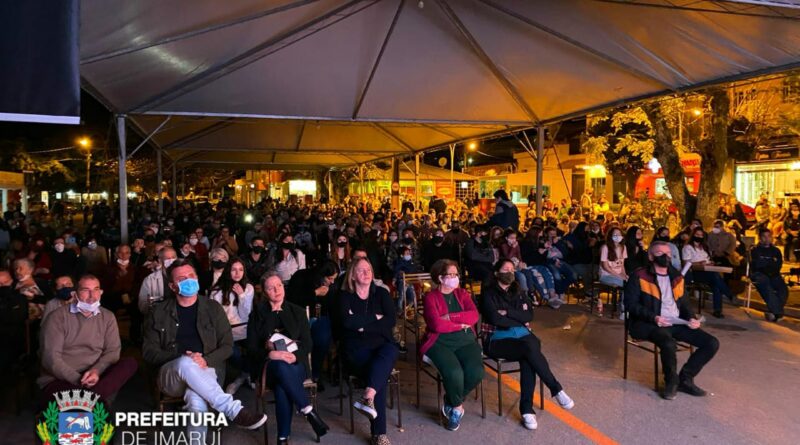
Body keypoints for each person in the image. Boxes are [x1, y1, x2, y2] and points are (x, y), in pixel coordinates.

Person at [142, 260, 267, 440]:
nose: (188, 280)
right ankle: (234, 410)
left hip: (207, 371)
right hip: (171, 376)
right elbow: (148, 351)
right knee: (186, 363)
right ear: (172, 286)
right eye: (182, 278)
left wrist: (206, 360)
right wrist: (181, 357)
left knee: (196, 399)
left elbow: (227, 346)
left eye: (191, 276)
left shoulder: (213, 308)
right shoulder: (158, 311)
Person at [479, 259, 574, 430]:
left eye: (512, 269)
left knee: (529, 353)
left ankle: (527, 410)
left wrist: (507, 312)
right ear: (496, 273)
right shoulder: (488, 293)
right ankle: (554, 390)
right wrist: (516, 316)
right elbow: (495, 319)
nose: (510, 272)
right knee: (529, 350)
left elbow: (528, 316)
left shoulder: (519, 291)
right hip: (497, 339)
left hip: (522, 336)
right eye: (506, 269)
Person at [625, 241, 720, 400]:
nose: (665, 256)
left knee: (711, 343)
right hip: (648, 323)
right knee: (668, 342)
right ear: (650, 256)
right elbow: (630, 304)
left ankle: (685, 378)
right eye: (660, 253)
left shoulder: (676, 277)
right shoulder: (639, 276)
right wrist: (654, 317)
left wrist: (691, 318)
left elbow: (684, 303)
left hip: (675, 322)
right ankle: (671, 382)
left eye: (668, 253)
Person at [247, 272, 329, 444]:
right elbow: (252, 349)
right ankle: (307, 410)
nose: (276, 290)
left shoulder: (297, 311)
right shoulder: (257, 315)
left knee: (282, 384)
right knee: (279, 368)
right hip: (268, 367)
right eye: (271, 288)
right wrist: (270, 354)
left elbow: (307, 344)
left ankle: (283, 438)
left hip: (295, 364)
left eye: (279, 286)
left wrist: (293, 356)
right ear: (264, 292)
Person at [38, 274, 138, 404]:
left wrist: (96, 371)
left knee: (129, 363)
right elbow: (50, 358)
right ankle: (96, 398)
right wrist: (79, 379)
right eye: (86, 290)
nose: (92, 295)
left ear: (101, 292)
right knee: (88, 402)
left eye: (96, 289)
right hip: (62, 377)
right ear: (75, 294)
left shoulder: (107, 316)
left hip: (96, 374)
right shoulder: (57, 317)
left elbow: (113, 351)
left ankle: (87, 398)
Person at [339, 258, 399, 445]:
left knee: (389, 351)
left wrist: (362, 324)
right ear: (352, 275)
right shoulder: (344, 297)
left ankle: (368, 396)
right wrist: (375, 319)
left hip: (382, 346)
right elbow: (347, 323)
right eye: (361, 270)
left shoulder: (381, 293)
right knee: (378, 372)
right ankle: (379, 434)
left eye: (369, 269)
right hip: (356, 350)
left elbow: (391, 321)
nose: (366, 273)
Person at [419, 260, 483, 431]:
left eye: (456, 274)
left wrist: (451, 317)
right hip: (439, 342)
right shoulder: (430, 297)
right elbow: (436, 325)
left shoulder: (462, 293)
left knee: (476, 372)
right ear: (440, 278)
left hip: (465, 341)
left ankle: (451, 400)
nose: (455, 278)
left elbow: (473, 316)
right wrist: (459, 324)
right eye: (451, 275)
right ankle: (456, 409)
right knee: (454, 372)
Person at [287, 260, 339, 387]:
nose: (332, 282)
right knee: (300, 340)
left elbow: (332, 306)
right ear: (321, 275)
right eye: (329, 278)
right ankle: (301, 372)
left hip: (320, 317)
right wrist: (314, 293)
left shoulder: (331, 285)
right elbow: (292, 299)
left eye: (334, 279)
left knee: (322, 338)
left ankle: (316, 373)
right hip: (298, 318)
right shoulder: (300, 277)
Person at [210, 258, 255, 394]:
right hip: (227, 331)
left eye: (241, 270)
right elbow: (217, 317)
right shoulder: (217, 291)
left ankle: (243, 376)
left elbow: (246, 314)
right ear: (228, 271)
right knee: (233, 354)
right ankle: (245, 374)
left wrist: (242, 296)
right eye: (234, 269)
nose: (237, 273)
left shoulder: (248, 287)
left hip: (246, 328)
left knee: (256, 349)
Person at [682, 228, 734, 318]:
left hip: (708, 271)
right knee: (715, 277)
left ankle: (717, 311)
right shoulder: (687, 247)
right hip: (696, 272)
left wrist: (710, 263)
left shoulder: (704, 248)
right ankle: (729, 294)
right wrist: (699, 263)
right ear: (693, 235)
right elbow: (686, 263)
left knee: (716, 284)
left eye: (701, 235)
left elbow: (708, 259)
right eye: (697, 235)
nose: (699, 237)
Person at [750, 228, 787, 322]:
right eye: (764, 236)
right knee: (766, 286)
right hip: (759, 274)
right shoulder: (755, 250)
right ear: (760, 238)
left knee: (783, 289)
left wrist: (766, 262)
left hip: (774, 274)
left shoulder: (776, 251)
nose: (767, 239)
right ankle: (778, 313)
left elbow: (778, 265)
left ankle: (773, 312)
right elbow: (757, 264)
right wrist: (770, 261)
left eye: (769, 236)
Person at [138, 247, 177, 314]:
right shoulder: (150, 280)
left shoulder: (184, 276)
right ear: (160, 260)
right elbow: (142, 305)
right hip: (158, 317)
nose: (171, 260)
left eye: (173, 257)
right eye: (167, 258)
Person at [598, 228, 627, 315]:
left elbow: (622, 265)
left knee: (631, 282)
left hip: (618, 275)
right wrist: (619, 276)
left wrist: (624, 275)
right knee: (626, 284)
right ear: (610, 236)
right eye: (615, 235)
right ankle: (623, 311)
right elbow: (605, 267)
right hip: (606, 275)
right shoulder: (605, 247)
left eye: (619, 234)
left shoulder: (623, 248)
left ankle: (624, 307)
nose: (617, 237)